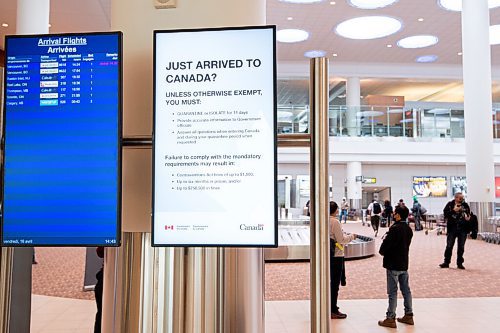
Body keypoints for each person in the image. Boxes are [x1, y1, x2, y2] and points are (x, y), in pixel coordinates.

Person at [378, 205, 414, 328]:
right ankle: (409, 315)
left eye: (394, 213)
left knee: (393, 292)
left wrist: (382, 250)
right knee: (406, 290)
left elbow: (386, 247)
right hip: (404, 263)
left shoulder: (394, 229)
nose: (393, 214)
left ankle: (390, 318)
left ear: (398, 215)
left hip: (393, 264)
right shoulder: (408, 229)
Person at [330, 201, 357, 319]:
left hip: (327, 255)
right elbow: (341, 239)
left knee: (329, 282)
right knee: (335, 283)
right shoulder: (334, 221)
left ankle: (328, 306)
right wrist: (352, 236)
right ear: (335, 210)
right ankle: (333, 309)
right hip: (336, 255)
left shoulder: (322, 220)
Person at [439, 192, 471, 269]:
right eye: (460, 198)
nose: (462, 199)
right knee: (449, 246)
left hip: (462, 229)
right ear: (456, 198)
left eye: (463, 198)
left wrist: (468, 218)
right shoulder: (450, 204)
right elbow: (446, 214)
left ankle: (459, 263)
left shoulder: (465, 205)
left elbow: (468, 214)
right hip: (452, 229)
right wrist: (453, 210)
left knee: (461, 247)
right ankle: (446, 262)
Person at [94, 246, 105, 333]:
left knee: (101, 314)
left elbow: (100, 252)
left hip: (105, 278)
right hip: (105, 279)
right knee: (102, 314)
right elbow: (100, 252)